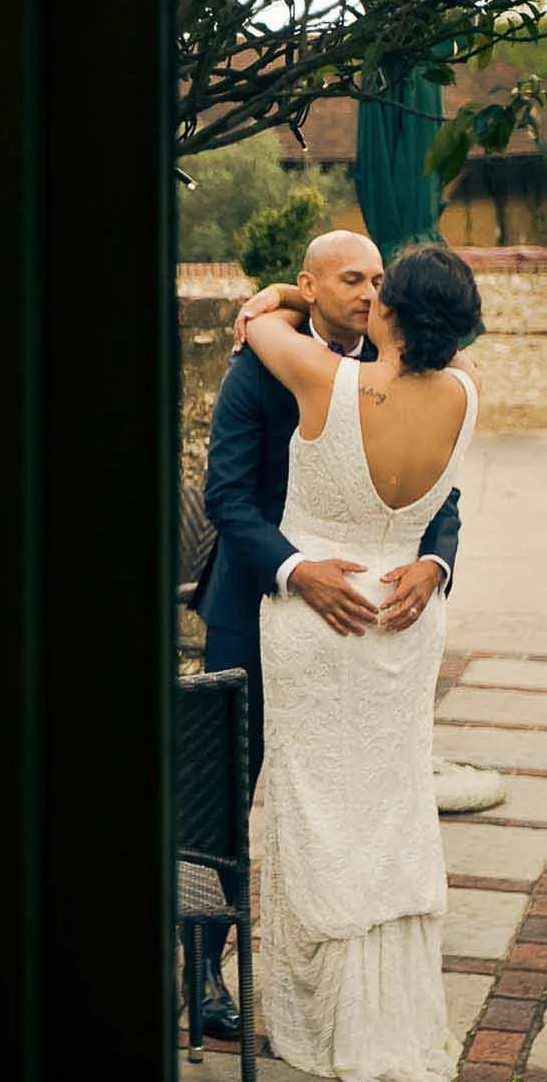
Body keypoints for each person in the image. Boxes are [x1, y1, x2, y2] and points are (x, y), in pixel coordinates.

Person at [187, 231, 463, 1041]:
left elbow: (444, 497)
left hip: (361, 632)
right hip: (253, 601)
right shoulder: (259, 365)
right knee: (225, 789)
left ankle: (339, 976)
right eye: (351, 278)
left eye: (379, 279)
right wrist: (294, 568)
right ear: (311, 285)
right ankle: (203, 969)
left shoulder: (407, 370)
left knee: (351, 796)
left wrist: (436, 563)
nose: (370, 292)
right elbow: (228, 495)